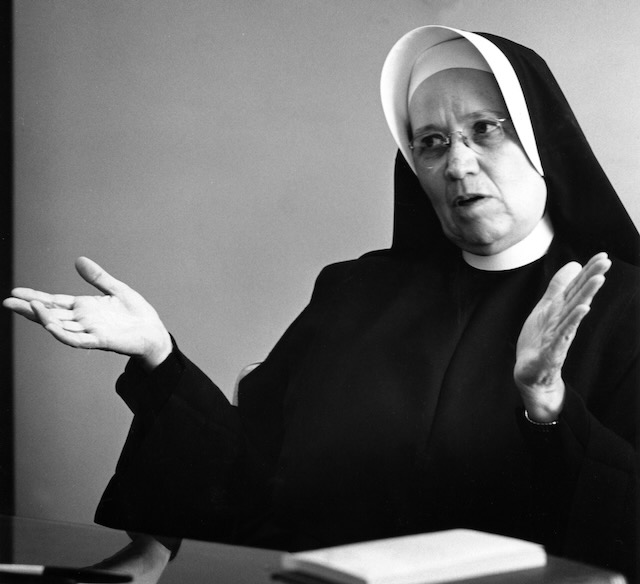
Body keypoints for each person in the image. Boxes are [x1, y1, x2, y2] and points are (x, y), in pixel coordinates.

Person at [5, 25, 639, 582]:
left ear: (540, 142)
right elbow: (246, 475)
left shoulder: (627, 310)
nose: (458, 163)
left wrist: (547, 405)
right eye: (432, 143)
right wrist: (158, 355)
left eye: (485, 131)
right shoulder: (355, 293)